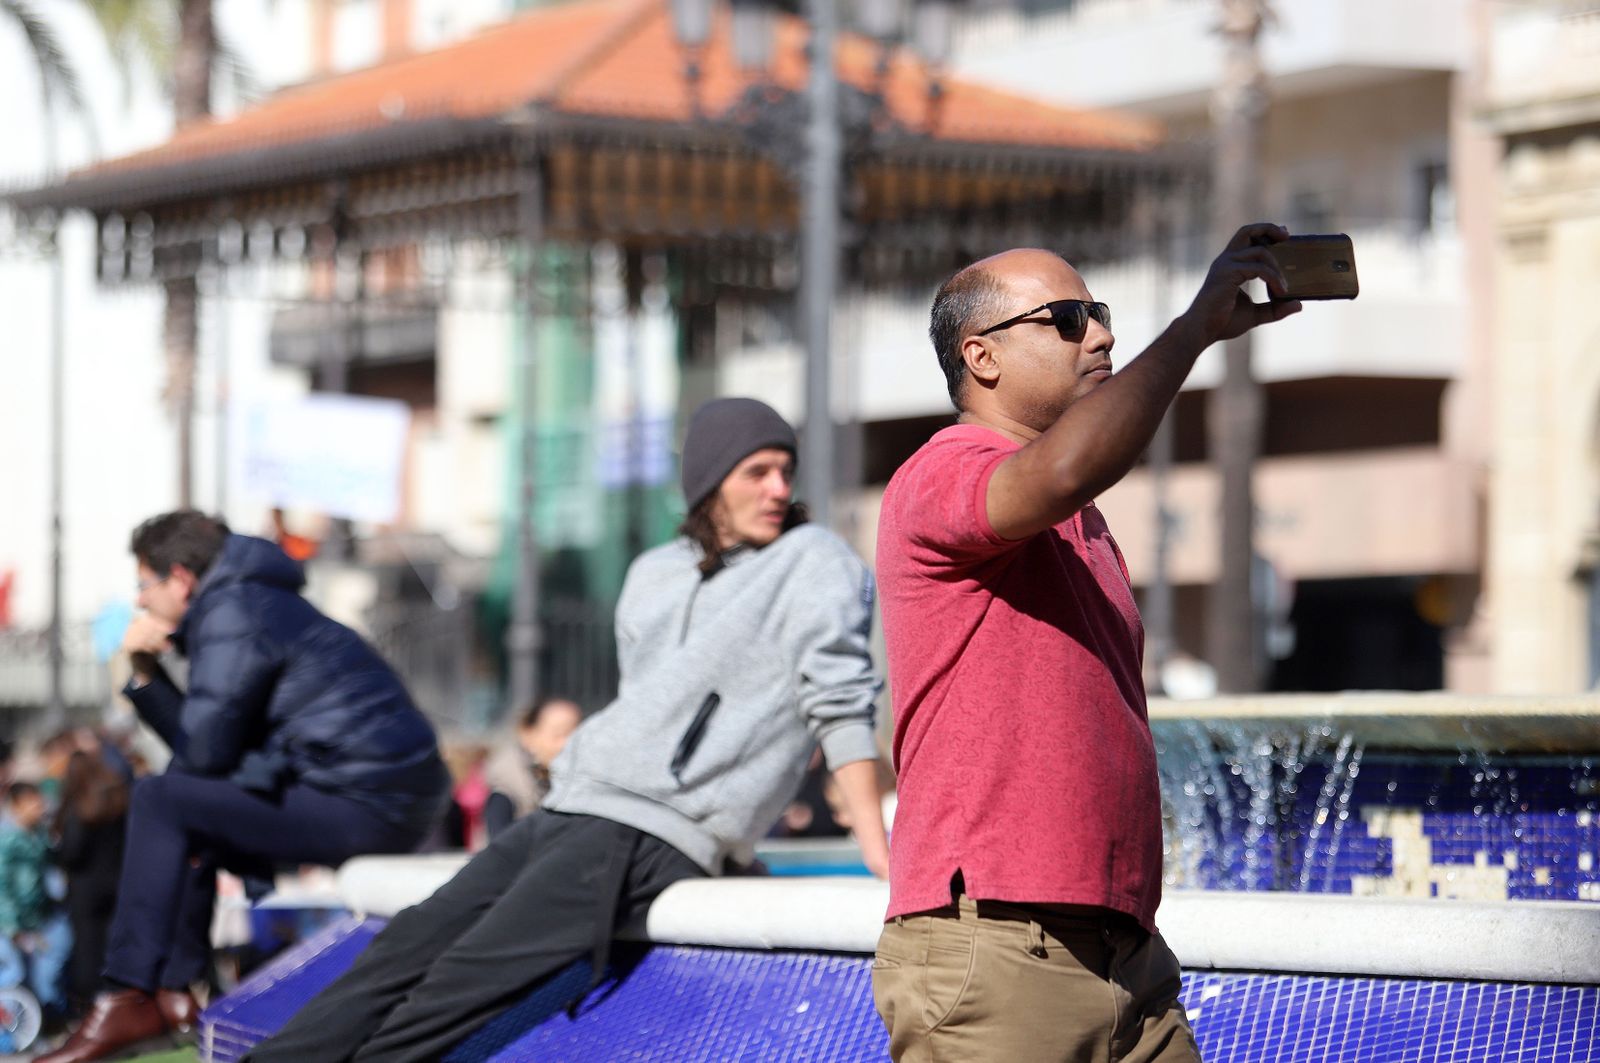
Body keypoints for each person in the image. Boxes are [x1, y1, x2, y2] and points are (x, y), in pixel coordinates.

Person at [245, 396, 891, 1062]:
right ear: (709, 480)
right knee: (404, 945)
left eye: (785, 470)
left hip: (645, 830)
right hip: (572, 804)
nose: (779, 489)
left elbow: (839, 699)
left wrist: (874, 846)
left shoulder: (813, 558)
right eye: (757, 471)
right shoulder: (655, 572)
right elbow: (651, 706)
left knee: (458, 986)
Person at [872, 224, 1304, 1062]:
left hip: (1125, 956)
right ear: (981, 357)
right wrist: (1193, 330)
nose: (1101, 334)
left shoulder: (1078, 519)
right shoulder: (943, 471)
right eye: (1067, 319)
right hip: (998, 944)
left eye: (1099, 312)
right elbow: (1066, 469)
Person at [40, 512, 451, 1063]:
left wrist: (143, 672)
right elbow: (210, 756)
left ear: (180, 578)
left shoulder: (233, 611)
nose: (140, 603)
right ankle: (170, 994)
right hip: (379, 797)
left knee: (161, 798)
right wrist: (147, 679)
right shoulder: (252, 601)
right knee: (185, 809)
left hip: (368, 803)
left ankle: (127, 995)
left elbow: (205, 754)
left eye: (144, 586)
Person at [51, 750, 129, 1014]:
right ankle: (117, 1000)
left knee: (87, 949)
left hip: (85, 889)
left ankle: (91, 1007)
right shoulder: (118, 801)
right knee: (113, 946)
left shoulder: (80, 808)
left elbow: (72, 852)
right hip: (116, 882)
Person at [0, 782, 73, 1023]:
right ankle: (15, 1031)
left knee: (47, 969)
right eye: (33, 802)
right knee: (14, 976)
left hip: (41, 916)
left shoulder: (39, 834)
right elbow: (3, 887)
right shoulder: (8, 839)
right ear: (17, 805)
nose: (39, 807)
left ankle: (50, 1019)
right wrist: (12, 928)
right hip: (11, 923)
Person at [482, 696, 582, 840]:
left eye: (577, 734)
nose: (568, 743)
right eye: (559, 734)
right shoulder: (506, 791)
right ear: (528, 734)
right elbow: (498, 846)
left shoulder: (586, 780)